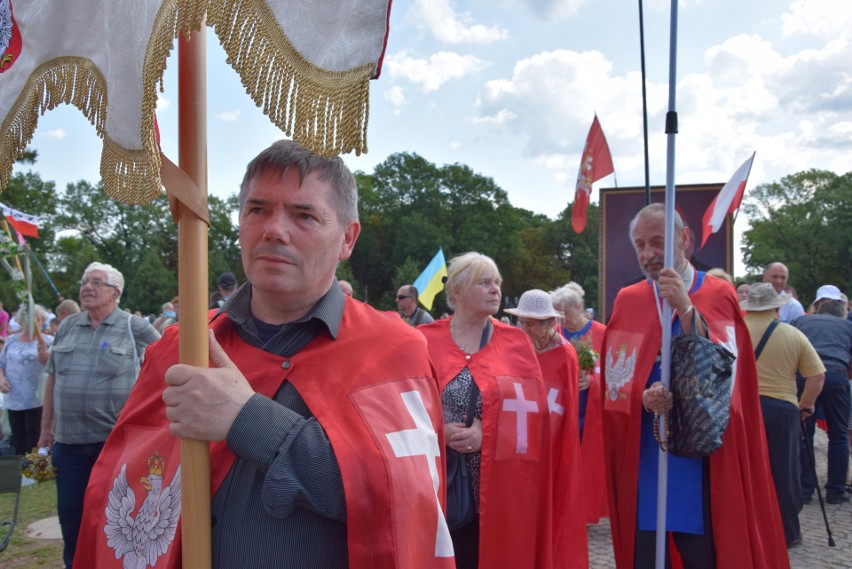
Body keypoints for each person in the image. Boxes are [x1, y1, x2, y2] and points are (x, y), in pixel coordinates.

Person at [75, 140, 453, 569]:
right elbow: (118, 485)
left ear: (347, 238)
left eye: (304, 215)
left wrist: (248, 420)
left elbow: (404, 501)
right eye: (257, 210)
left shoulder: (393, 349)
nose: (274, 229)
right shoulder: (181, 349)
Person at [602, 203, 788, 568]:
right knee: (646, 551)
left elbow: (728, 374)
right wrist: (641, 394)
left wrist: (686, 309)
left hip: (702, 452)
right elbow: (614, 383)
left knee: (703, 552)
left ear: (684, 238)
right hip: (646, 451)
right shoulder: (629, 300)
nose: (648, 253)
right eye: (640, 245)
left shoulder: (719, 294)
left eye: (657, 242)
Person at [419, 252, 552, 569]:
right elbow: (406, 408)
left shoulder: (516, 343)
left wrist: (487, 433)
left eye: (497, 282)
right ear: (457, 292)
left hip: (499, 492)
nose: (496, 290)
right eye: (484, 282)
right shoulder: (424, 341)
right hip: (438, 487)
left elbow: (536, 418)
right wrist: (441, 432)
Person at [38, 262, 161, 569]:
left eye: (96, 283)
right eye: (84, 282)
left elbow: (170, 362)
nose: (87, 287)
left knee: (117, 516)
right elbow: (52, 379)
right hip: (69, 444)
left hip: (116, 444)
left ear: (115, 293)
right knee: (71, 514)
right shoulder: (67, 326)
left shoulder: (134, 328)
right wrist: (45, 430)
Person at [506, 288, 587, 568]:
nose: (524, 328)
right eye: (522, 321)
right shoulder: (517, 348)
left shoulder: (566, 355)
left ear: (548, 323)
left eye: (531, 323)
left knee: (552, 503)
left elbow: (568, 405)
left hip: (554, 443)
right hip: (522, 440)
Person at [741, 283, 825, 547]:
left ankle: (745, 529)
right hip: (782, 408)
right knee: (785, 471)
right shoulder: (792, 334)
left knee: (744, 470)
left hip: (744, 409)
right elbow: (816, 375)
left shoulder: (736, 331)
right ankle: (788, 532)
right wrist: (805, 405)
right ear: (777, 307)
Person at [551, 281, 608, 524]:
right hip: (563, 407)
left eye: (565, 312)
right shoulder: (556, 335)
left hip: (591, 411)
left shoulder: (602, 333)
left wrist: (592, 382)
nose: (562, 318)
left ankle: (585, 509)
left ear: (579, 307)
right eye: (558, 313)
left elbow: (615, 373)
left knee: (588, 463)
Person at [795, 284, 852, 505]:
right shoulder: (847, 327)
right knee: (838, 435)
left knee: (804, 433)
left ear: (818, 308)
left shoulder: (801, 321)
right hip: (836, 377)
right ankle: (835, 491)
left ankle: (804, 489)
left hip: (806, 377)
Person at [0, 304, 53, 455]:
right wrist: (1, 379)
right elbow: (1, 363)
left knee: (34, 433)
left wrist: (45, 358)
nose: (37, 323)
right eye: (33, 319)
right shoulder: (11, 340)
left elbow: (53, 366)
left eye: (39, 319)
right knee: (18, 434)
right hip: (14, 395)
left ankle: (35, 470)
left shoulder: (47, 341)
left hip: (37, 397)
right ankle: (18, 468)